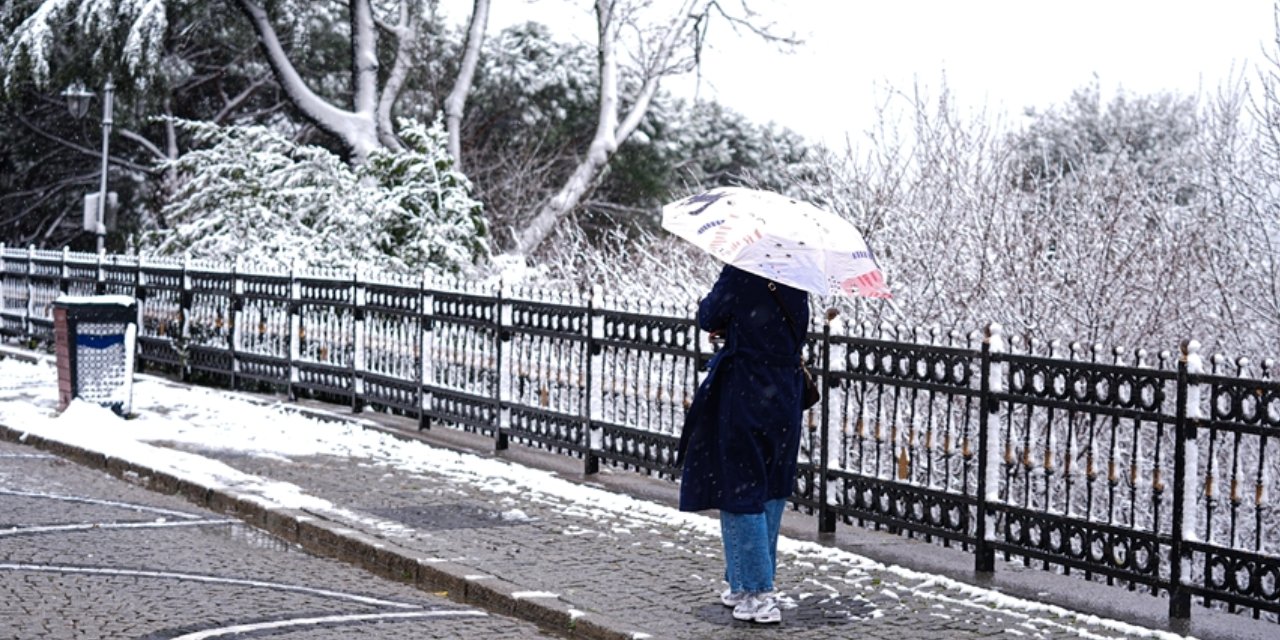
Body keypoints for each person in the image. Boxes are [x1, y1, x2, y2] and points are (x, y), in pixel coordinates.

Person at [677, 263, 809, 625]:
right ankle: (744, 584)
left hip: (746, 390)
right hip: (785, 393)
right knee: (770, 487)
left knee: (739, 486)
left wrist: (719, 313)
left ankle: (757, 593)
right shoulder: (797, 278)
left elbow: (709, 314)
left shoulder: (741, 271)